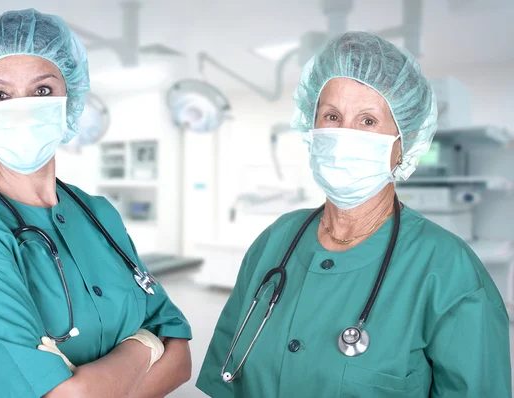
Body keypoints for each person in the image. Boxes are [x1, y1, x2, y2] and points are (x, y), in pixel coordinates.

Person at [196, 31, 511, 397]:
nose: (343, 136)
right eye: (331, 116)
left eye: (367, 121)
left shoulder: (449, 271)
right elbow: (229, 374)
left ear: (404, 144)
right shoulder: (276, 241)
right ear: (310, 128)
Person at [0, 9, 192, 397]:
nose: (22, 109)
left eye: (42, 91)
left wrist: (91, 383)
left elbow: (181, 357)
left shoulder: (99, 213)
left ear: (69, 101)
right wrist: (145, 346)